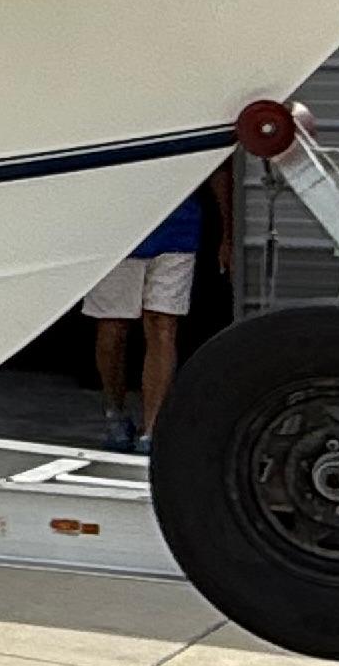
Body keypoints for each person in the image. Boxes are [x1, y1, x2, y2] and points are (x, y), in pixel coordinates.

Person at [84, 164, 231, 451]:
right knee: (112, 329)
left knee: (162, 325)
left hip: (179, 228)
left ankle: (152, 430)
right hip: (117, 232)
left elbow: (217, 168)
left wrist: (228, 233)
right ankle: (115, 412)